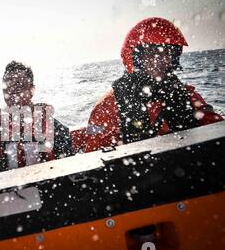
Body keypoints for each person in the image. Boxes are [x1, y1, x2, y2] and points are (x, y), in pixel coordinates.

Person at [77, 17, 223, 153]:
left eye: (168, 53)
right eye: (153, 53)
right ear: (136, 57)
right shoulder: (108, 106)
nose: (162, 59)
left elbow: (217, 130)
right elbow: (95, 155)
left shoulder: (187, 95)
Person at [0, 61, 73, 175]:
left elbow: (69, 167)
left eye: (18, 85)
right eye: (7, 87)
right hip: (12, 191)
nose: (12, 91)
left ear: (31, 90)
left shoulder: (53, 128)